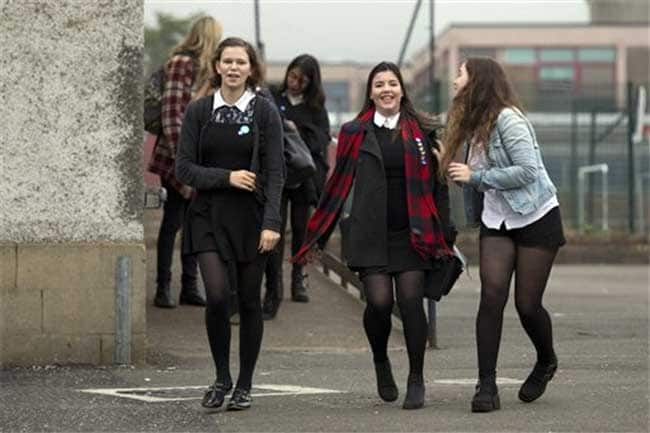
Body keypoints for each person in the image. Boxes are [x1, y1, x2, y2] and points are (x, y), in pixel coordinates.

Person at [293, 62, 456, 410]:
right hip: (370, 233)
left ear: (402, 90)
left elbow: (438, 184)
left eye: (392, 83)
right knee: (380, 303)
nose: (386, 89)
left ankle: (416, 379)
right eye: (379, 84)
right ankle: (381, 361)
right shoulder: (355, 131)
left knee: (411, 301)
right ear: (370, 92)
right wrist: (316, 237)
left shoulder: (423, 131)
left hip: (414, 233)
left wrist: (445, 230)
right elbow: (337, 185)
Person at [437, 57, 565, 413]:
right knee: (491, 297)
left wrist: (476, 178)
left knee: (527, 304)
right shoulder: (471, 122)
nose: (454, 80)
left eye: (459, 74)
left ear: (477, 80)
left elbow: (527, 171)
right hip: (498, 220)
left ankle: (546, 360)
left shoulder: (508, 119)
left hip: (536, 216)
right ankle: (487, 386)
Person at [175, 37, 284, 411]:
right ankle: (221, 377)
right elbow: (184, 168)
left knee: (249, 301)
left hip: (252, 220)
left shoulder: (264, 111)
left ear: (251, 69)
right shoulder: (199, 111)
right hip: (207, 217)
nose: (234, 68)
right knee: (218, 296)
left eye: (241, 62)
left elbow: (275, 172)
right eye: (228, 61)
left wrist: (272, 222)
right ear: (217, 66)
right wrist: (227, 177)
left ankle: (245, 384)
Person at [148, 16, 222, 308]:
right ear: (208, 38)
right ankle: (163, 288)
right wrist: (186, 160)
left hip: (200, 160)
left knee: (195, 225)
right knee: (173, 221)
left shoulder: (207, 70)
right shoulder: (182, 63)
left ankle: (189, 287)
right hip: (177, 157)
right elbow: (171, 114)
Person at [263, 54, 331, 320]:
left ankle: (298, 278)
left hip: (303, 176)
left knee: (302, 230)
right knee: (274, 229)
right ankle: (273, 283)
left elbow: (321, 139)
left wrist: (294, 129)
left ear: (311, 83)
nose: (294, 83)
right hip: (278, 174)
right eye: (292, 76)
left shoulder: (316, 107)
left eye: (301, 80)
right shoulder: (273, 98)